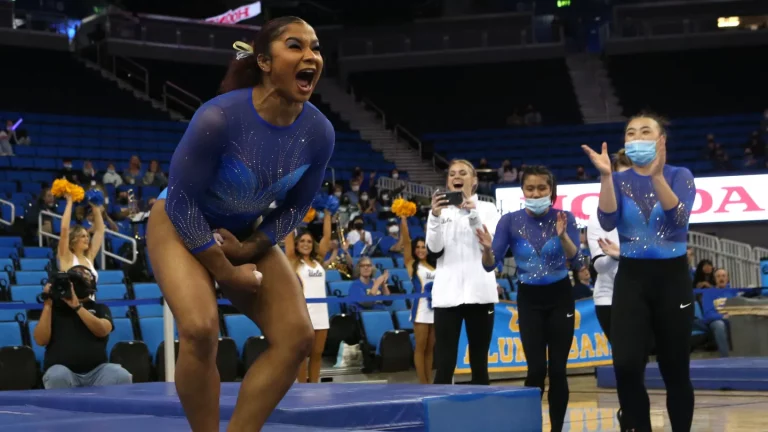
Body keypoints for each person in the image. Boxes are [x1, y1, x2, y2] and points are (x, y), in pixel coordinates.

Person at [145, 16, 334, 432]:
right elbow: (180, 201)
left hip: (244, 233)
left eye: (315, 47)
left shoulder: (319, 132)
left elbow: (294, 209)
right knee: (199, 329)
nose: (311, 56)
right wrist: (227, 270)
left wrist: (248, 250)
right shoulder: (218, 117)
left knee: (298, 337)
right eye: (296, 46)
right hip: (178, 221)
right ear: (265, 62)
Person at [583, 112, 696, 432]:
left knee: (674, 369)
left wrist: (657, 176)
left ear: (661, 141)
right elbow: (606, 222)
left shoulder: (680, 175)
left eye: (645, 131)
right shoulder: (617, 180)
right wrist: (606, 177)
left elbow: (679, 220)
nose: (636, 137)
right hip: (632, 280)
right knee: (627, 365)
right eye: (630, 133)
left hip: (672, 281)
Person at [490, 165, 580, 432]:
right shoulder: (509, 221)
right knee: (536, 369)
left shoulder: (566, 218)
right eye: (530, 188)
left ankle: (556, 429)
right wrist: (485, 250)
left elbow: (578, 261)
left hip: (560, 296)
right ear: (523, 191)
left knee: (559, 370)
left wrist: (563, 236)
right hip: (529, 299)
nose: (536, 192)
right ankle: (530, 426)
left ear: (551, 191)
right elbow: (489, 263)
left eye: (542, 188)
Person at [426, 159, 500, 386]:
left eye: (463, 173)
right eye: (452, 174)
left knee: (480, 362)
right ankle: (440, 416)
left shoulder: (487, 209)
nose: (456, 177)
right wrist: (435, 217)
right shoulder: (439, 212)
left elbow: (487, 247)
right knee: (445, 362)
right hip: (447, 296)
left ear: (474, 180)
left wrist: (472, 213)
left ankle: (483, 417)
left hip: (480, 293)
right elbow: (434, 250)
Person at [33, 266, 132, 389]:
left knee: (121, 375)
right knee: (56, 375)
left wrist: (77, 307)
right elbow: (40, 340)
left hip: (97, 371)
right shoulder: (54, 309)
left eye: (85, 277)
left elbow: (103, 330)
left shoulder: (99, 308)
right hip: (63, 371)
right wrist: (47, 304)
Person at [284, 203, 334, 383]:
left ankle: (315, 387)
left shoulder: (318, 260)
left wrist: (328, 214)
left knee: (317, 353)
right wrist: (291, 211)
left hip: (321, 312)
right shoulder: (293, 260)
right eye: (302, 241)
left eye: (309, 242)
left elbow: (327, 237)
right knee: (303, 356)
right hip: (304, 313)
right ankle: (302, 389)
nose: (306, 244)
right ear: (297, 245)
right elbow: (288, 238)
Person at [586, 149, 632, 341]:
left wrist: (620, 253)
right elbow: (600, 265)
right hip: (609, 298)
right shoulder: (597, 218)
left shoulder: (654, 213)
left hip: (648, 296)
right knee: (625, 356)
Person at [398, 216, 437, 384]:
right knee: (420, 348)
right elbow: (406, 243)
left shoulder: (435, 265)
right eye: (418, 247)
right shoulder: (411, 264)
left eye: (424, 247)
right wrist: (404, 221)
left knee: (430, 349)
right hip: (420, 309)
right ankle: (423, 383)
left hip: (436, 309)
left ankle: (429, 381)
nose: (421, 249)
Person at [58, 192, 105, 280]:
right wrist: (69, 203)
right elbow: (64, 230)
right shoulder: (66, 257)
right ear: (73, 240)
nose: (87, 239)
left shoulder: (89, 257)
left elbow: (100, 231)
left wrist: (95, 207)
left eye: (87, 236)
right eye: (83, 236)